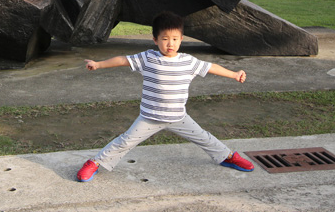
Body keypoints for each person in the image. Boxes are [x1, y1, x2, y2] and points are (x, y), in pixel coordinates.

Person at [76, 11, 254, 182]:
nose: (170, 44)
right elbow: (123, 60)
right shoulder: (147, 58)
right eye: (165, 39)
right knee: (125, 141)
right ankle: (95, 162)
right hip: (149, 118)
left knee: (204, 137)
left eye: (175, 39)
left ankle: (227, 156)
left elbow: (211, 67)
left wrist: (234, 74)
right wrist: (98, 64)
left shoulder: (188, 61)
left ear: (181, 39)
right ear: (155, 40)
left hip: (178, 117)